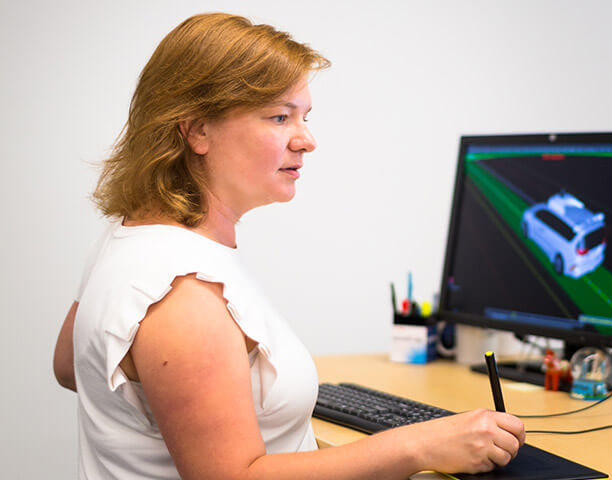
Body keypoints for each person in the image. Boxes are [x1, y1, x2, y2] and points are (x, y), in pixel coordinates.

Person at [52, 12, 524, 479]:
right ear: (196, 130)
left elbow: (72, 368)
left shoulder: (127, 238)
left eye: (304, 116)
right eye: (279, 117)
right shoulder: (181, 294)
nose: (307, 140)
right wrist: (418, 444)